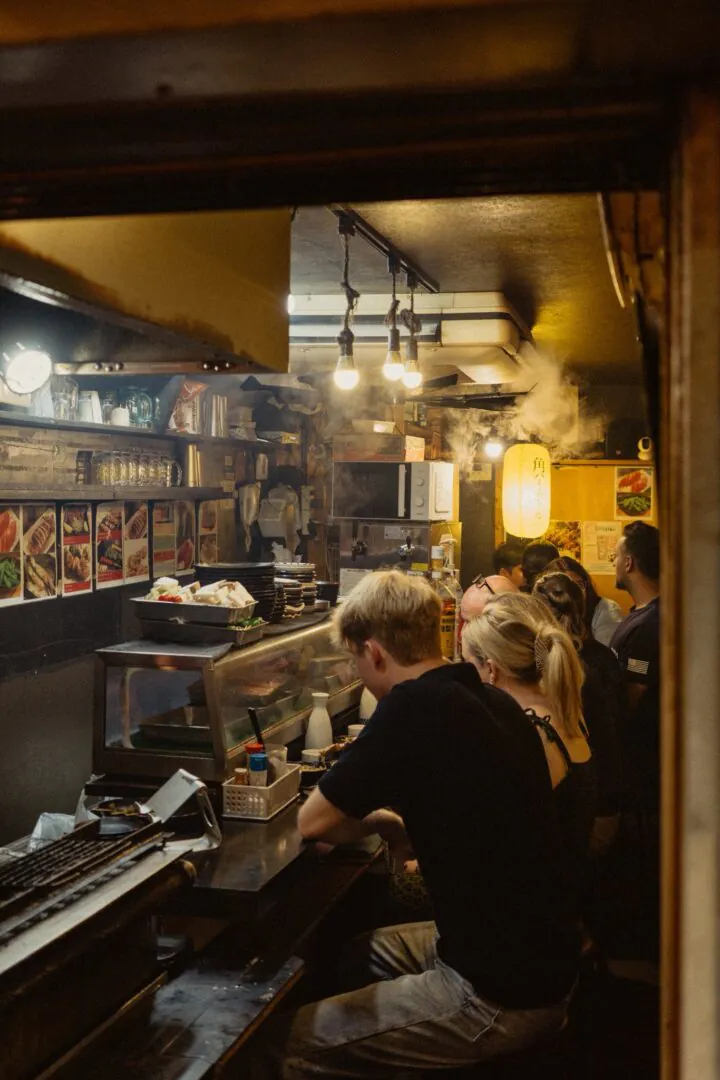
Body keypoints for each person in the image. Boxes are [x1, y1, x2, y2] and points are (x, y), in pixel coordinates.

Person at [251, 571, 579, 1078]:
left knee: (276, 1045)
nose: (359, 674)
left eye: (356, 661)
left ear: (374, 652)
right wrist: (389, 823)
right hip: (539, 962)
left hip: (496, 995)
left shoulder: (413, 705)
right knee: (353, 956)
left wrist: (373, 821)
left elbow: (312, 822)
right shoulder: (490, 699)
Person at [462, 592, 596, 899]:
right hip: (560, 897)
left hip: (529, 911)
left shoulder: (530, 733)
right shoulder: (564, 711)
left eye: (469, 666)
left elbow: (491, 843)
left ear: (491, 670)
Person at [533, 571, 623, 853]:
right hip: (597, 791)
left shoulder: (543, 667)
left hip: (574, 799)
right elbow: (613, 734)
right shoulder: (602, 659)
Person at [610, 521, 660, 812]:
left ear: (628, 563)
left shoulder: (650, 624)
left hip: (642, 758)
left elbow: (635, 692)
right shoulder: (639, 614)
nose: (614, 563)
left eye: (616, 556)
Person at [546, 555, 624, 647]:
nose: (575, 591)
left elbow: (605, 652)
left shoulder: (605, 609)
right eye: (566, 587)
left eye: (579, 584)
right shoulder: (547, 612)